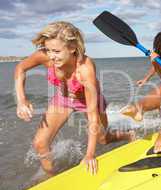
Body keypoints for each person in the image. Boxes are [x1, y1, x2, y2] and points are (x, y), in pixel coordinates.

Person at [14, 21, 134, 176]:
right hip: (63, 99)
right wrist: (22, 100)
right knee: (40, 144)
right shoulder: (45, 55)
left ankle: (128, 134)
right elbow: (20, 68)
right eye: (48, 50)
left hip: (89, 102)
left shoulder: (85, 69)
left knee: (103, 139)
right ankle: (52, 178)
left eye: (56, 51)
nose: (51, 56)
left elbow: (92, 117)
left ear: (72, 48)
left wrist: (90, 154)